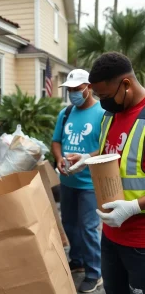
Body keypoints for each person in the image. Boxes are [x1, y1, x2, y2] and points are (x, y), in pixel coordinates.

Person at [82, 52, 145, 294]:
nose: (101, 102)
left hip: (140, 242)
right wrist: (88, 158)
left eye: (105, 96)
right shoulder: (111, 113)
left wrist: (132, 207)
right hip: (110, 235)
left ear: (126, 84)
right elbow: (113, 149)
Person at [51, 69, 104, 293]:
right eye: (70, 90)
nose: (72, 93)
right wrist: (59, 159)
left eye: (76, 89)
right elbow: (56, 141)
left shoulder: (103, 113)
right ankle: (77, 260)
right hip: (68, 181)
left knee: (89, 228)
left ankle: (94, 273)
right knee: (69, 224)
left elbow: (106, 147)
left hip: (90, 183)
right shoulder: (66, 113)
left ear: (89, 87)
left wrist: (85, 159)